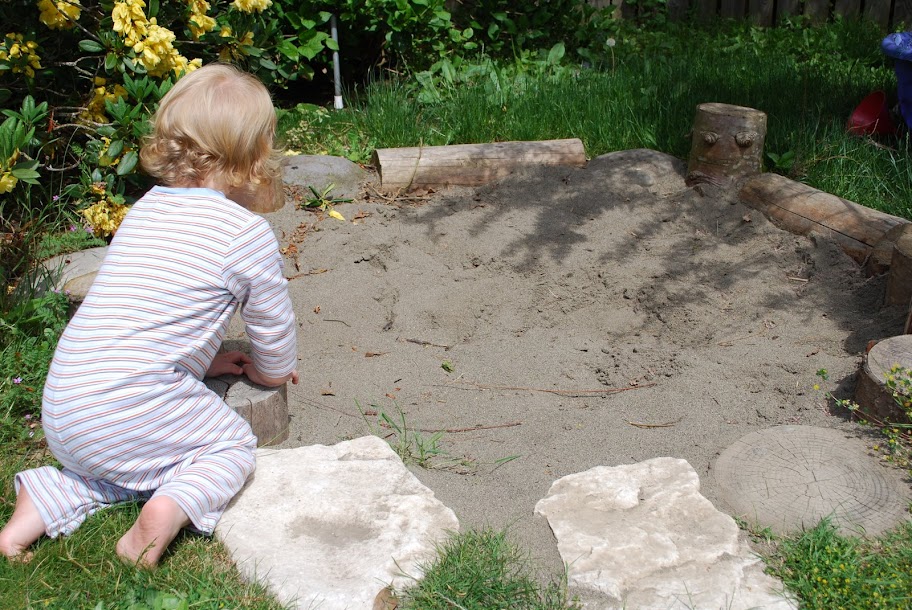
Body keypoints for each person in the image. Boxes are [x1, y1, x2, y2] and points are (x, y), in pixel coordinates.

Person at [0, 63, 298, 567]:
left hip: (66, 404)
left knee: (122, 465)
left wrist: (203, 363)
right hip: (129, 408)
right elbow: (272, 323)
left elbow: (143, 319)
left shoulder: (145, 210)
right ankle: (168, 508)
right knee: (230, 446)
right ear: (254, 157)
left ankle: (45, 498)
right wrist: (272, 371)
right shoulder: (245, 234)